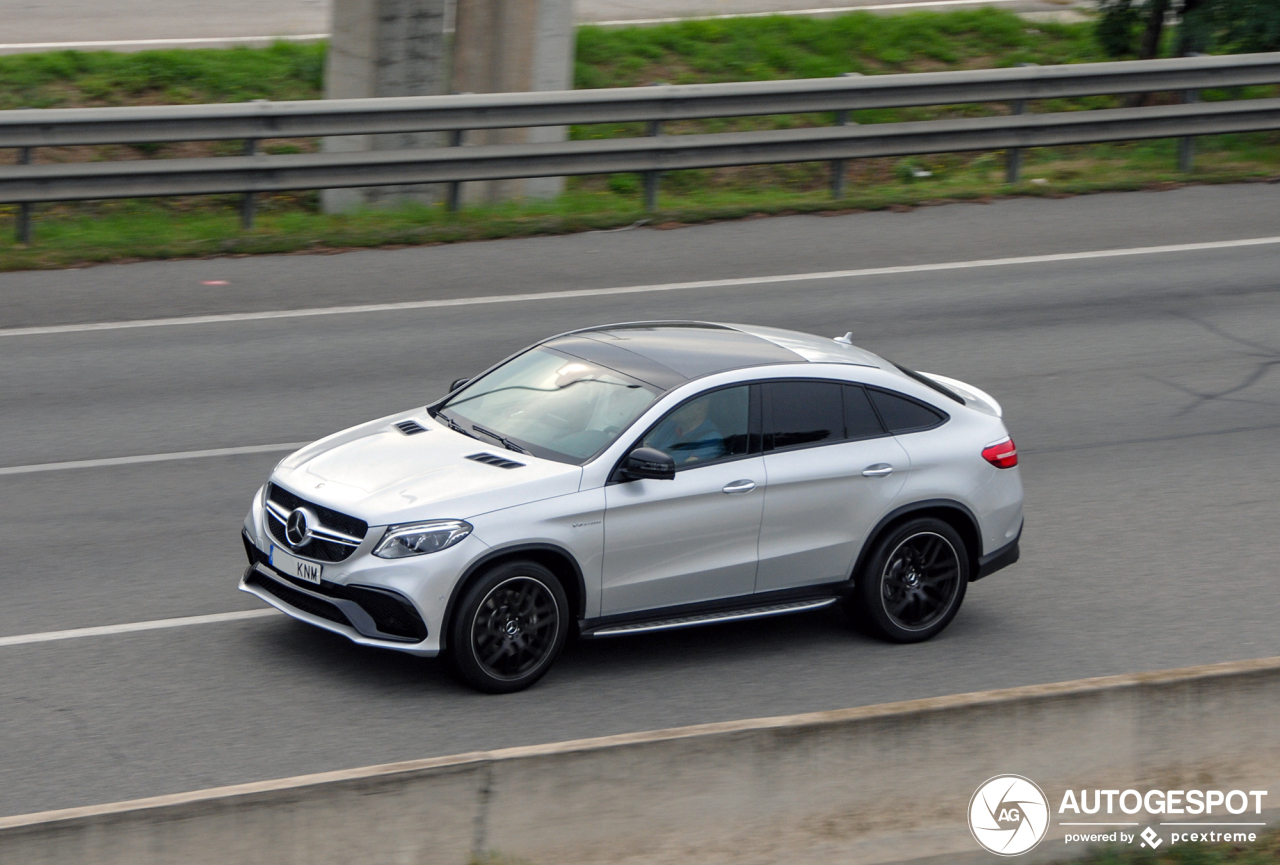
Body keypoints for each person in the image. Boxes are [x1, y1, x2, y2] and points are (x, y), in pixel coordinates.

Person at [644, 396, 726, 465]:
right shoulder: (672, 424)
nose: (675, 406)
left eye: (683, 403)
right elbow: (647, 448)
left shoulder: (712, 440)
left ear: (699, 407)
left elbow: (680, 471)